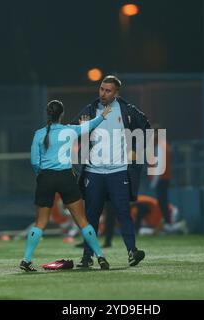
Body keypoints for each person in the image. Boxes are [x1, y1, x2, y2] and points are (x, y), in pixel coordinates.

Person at [19, 100, 112, 272]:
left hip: (45, 177)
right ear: (61, 114)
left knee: (40, 223)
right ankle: (100, 257)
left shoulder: (39, 133)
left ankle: (26, 259)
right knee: (82, 221)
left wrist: (42, 173)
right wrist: (103, 115)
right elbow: (89, 126)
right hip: (65, 178)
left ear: (48, 114)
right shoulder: (69, 130)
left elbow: (34, 161)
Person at [72, 75, 151, 268]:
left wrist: (136, 151)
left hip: (119, 171)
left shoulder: (127, 110)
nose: (103, 93)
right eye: (101, 89)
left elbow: (146, 128)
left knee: (123, 213)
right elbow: (71, 132)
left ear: (116, 93)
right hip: (93, 172)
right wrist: (81, 130)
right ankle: (86, 257)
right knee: (91, 216)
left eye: (108, 90)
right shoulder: (90, 110)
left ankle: (132, 252)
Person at [148, 124, 173, 232]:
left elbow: (160, 166)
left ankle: (167, 223)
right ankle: (166, 222)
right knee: (163, 201)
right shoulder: (163, 145)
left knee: (162, 201)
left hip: (161, 178)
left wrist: (154, 181)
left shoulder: (160, 146)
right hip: (164, 178)